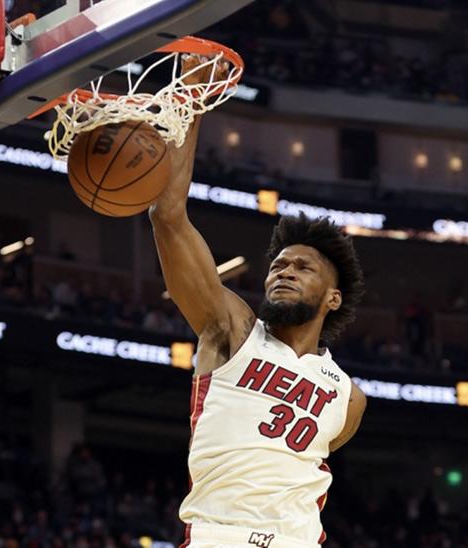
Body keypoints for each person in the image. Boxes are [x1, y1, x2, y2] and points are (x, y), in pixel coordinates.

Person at [148, 56, 368, 548]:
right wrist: (191, 97)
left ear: (333, 298)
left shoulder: (349, 398)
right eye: (278, 265)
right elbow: (168, 217)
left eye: (303, 268)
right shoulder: (232, 330)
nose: (283, 272)